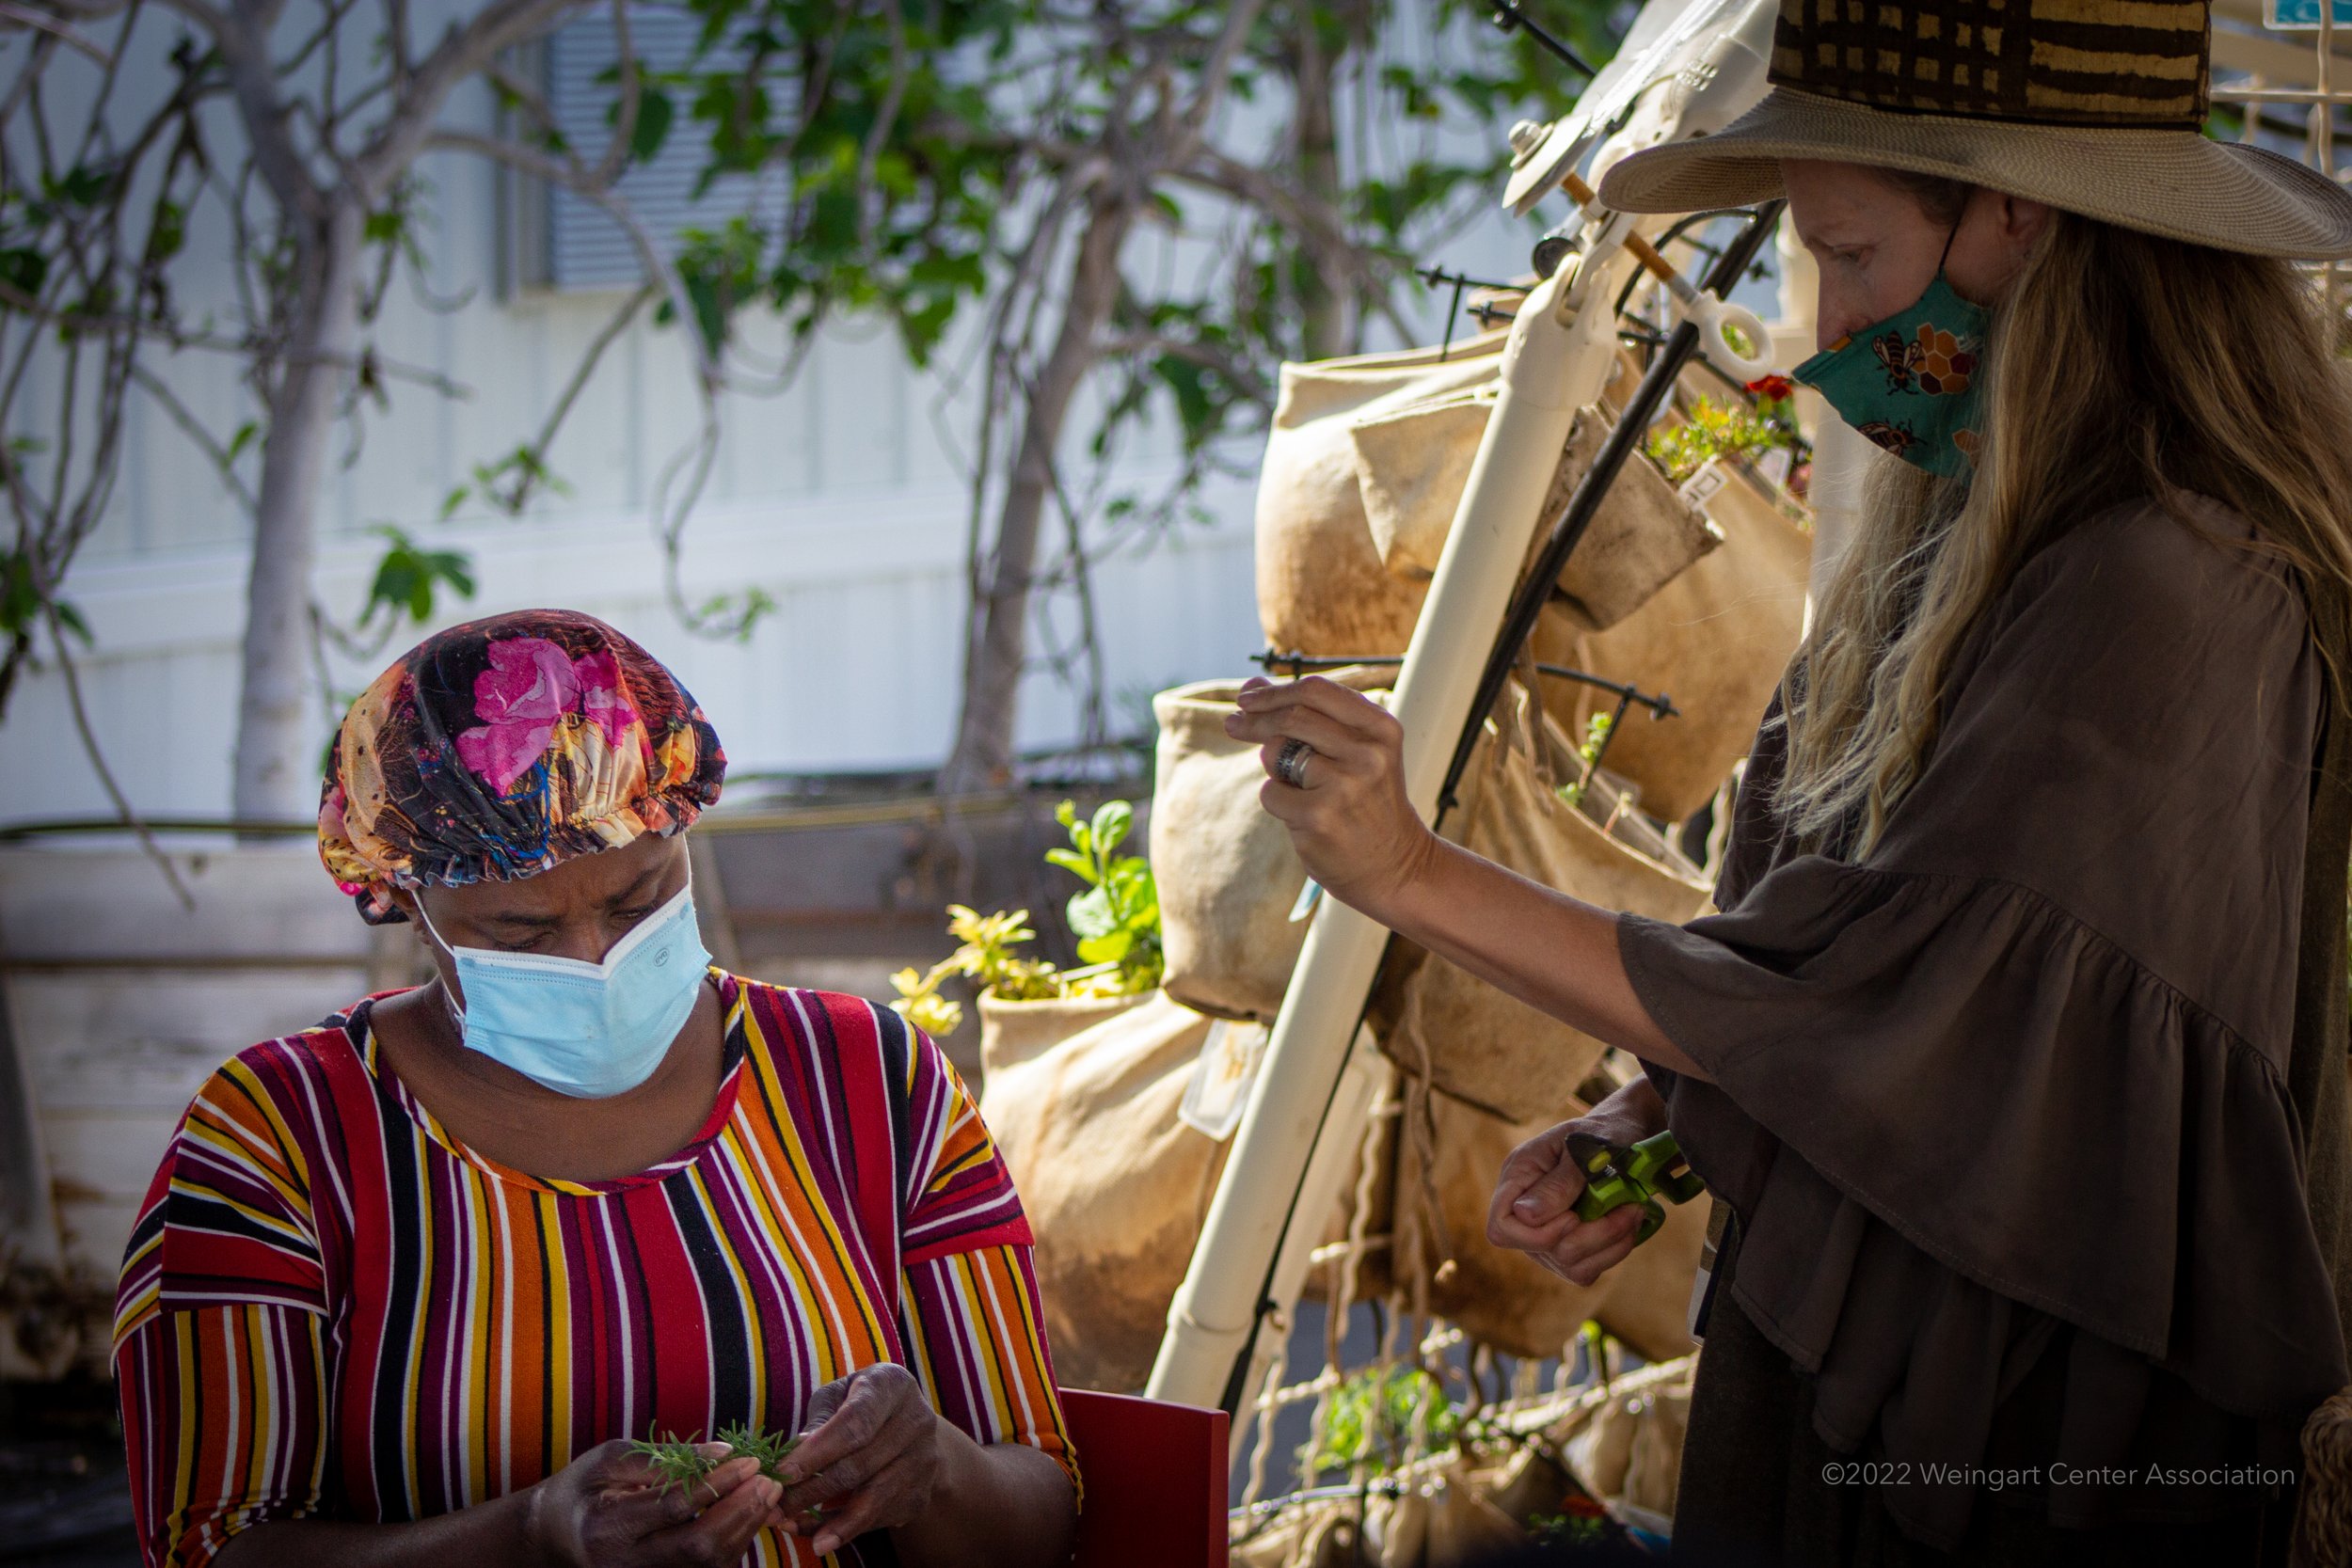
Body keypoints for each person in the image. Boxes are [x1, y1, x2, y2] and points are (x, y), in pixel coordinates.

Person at [1226, 0, 2352, 1561]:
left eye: (1858, 256)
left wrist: (1410, 874)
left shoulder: (2168, 586)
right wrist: (1670, 1118)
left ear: (2018, 221)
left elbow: (1909, 1020)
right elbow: (1909, 1018)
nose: (1828, 336)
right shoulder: (1985, 546)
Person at [111, 610, 1079, 1567]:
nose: (595, 959)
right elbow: (214, 1544)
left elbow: (1044, 1510)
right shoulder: (277, 1141)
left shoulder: (872, 1081)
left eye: (637, 899)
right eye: (520, 932)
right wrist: (526, 1536)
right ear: (407, 896)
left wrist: (933, 1468)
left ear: (685, 829)